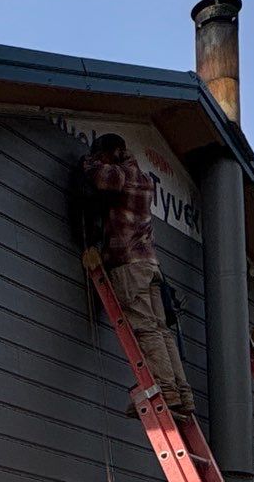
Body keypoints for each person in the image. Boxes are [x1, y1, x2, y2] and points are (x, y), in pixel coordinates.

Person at [77, 134, 196, 415]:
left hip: (129, 265)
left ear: (112, 153)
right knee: (161, 330)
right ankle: (182, 393)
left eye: (102, 155)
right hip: (149, 266)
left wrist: (88, 163)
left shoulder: (123, 173)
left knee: (145, 329)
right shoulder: (142, 178)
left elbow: (101, 178)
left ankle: (166, 390)